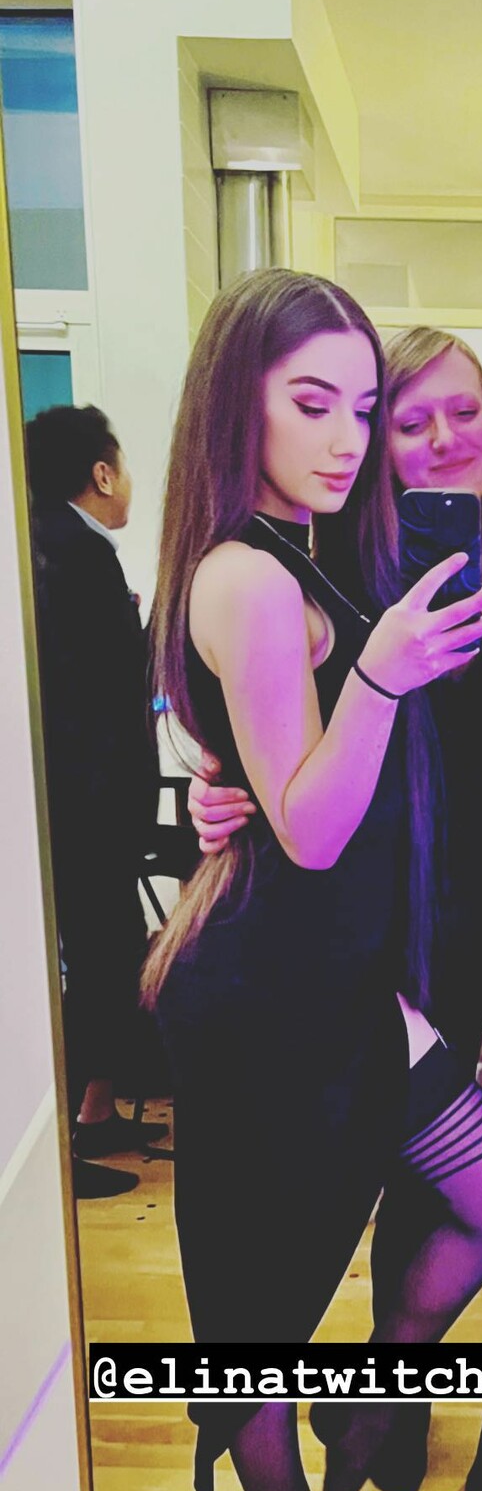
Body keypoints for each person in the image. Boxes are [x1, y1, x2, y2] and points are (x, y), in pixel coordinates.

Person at [142, 268, 482, 1491]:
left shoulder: (305, 550)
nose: (348, 438)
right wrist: (376, 675)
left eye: (363, 409)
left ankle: (371, 1390)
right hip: (267, 989)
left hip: (342, 978)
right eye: (314, 403)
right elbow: (310, 829)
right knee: (259, 1291)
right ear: (235, 400)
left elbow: (287, 780)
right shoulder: (246, 575)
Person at [26, 404, 166, 1199]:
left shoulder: (43, 544)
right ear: (103, 473)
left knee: (105, 955)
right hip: (88, 813)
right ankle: (62, 1149)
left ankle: (96, 1112)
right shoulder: (79, 554)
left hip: (70, 809)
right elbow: (102, 696)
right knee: (105, 959)